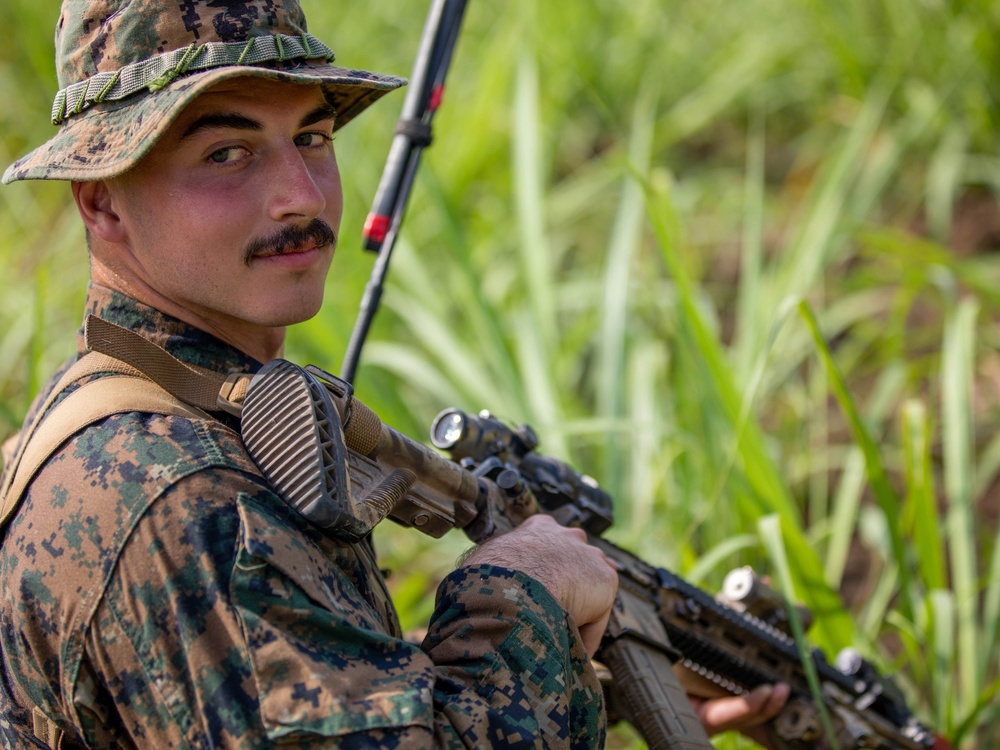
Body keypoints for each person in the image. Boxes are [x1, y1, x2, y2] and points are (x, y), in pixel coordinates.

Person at [0, 0, 787, 747]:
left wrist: (578, 683)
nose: (300, 197)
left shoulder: (130, 406)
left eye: (312, 138)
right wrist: (524, 597)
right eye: (226, 154)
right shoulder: (184, 497)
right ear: (102, 204)